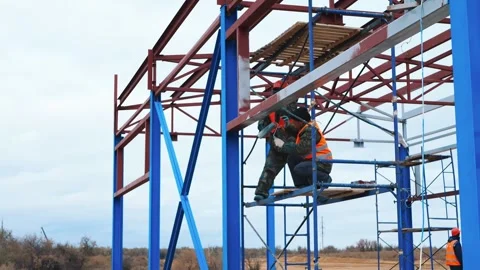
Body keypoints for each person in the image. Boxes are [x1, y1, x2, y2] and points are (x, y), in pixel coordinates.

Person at [254, 79, 299, 201]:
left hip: (285, 139)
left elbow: (294, 115)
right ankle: (261, 191)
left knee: (288, 164)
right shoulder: (272, 107)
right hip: (282, 140)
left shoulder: (287, 104)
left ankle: (262, 191)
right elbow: (261, 126)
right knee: (273, 166)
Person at [271, 107, 333, 189]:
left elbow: (301, 149)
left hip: (323, 163)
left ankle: (324, 179)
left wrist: (282, 145)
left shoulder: (311, 130)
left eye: (294, 122)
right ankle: (302, 185)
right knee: (292, 158)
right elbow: (295, 131)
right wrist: (287, 126)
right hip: (313, 161)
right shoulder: (304, 128)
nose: (293, 124)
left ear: (300, 122)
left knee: (300, 168)